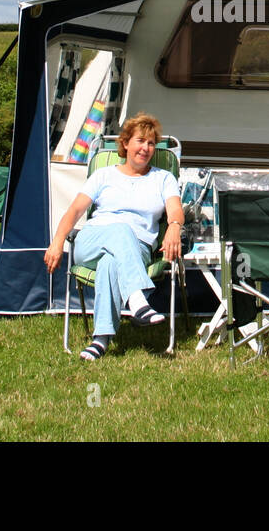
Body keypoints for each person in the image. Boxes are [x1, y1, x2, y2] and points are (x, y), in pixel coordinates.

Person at [44, 113, 184, 361]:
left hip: (137, 249)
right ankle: (137, 298)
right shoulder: (104, 175)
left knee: (111, 262)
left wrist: (174, 226)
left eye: (151, 143)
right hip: (92, 242)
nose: (146, 148)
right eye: (140, 141)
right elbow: (74, 211)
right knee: (120, 229)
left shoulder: (164, 178)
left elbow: (175, 210)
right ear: (126, 143)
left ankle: (101, 340)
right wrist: (57, 242)